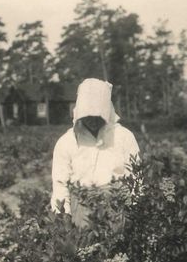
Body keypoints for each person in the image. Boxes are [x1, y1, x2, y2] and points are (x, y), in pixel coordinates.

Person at [51, 78, 140, 225]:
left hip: (117, 206)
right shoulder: (67, 142)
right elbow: (60, 183)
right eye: (87, 116)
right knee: (86, 245)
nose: (92, 120)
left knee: (116, 244)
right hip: (81, 207)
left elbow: (136, 176)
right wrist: (63, 216)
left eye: (97, 116)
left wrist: (134, 208)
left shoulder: (124, 137)